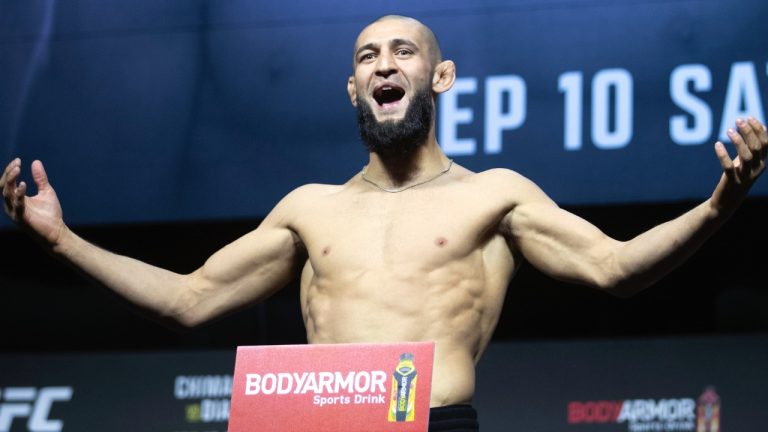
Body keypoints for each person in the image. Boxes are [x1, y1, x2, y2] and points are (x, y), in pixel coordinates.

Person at [2, 14, 767, 431]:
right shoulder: (310, 208)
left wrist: (719, 204)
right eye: (368, 55)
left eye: (403, 50)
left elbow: (617, 268)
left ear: (440, 77)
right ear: (352, 89)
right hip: (311, 427)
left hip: (433, 425)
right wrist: (63, 240)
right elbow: (189, 298)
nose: (383, 63)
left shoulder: (492, 195)